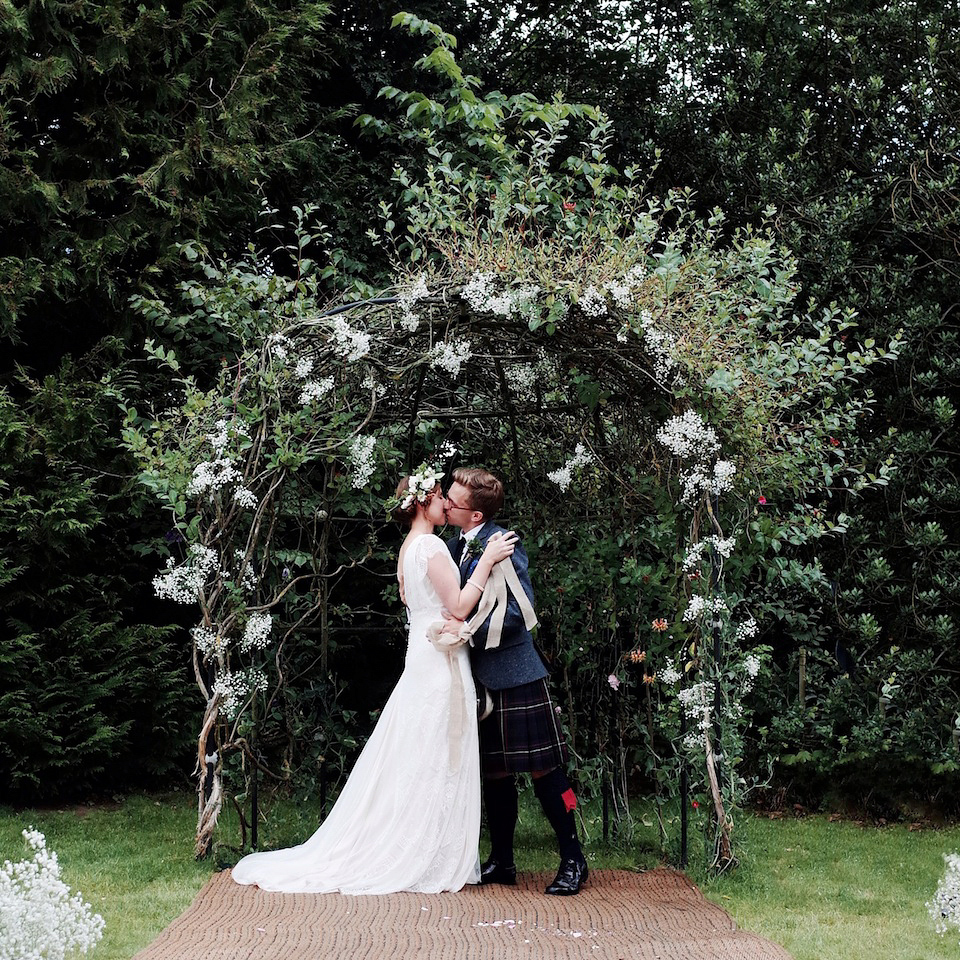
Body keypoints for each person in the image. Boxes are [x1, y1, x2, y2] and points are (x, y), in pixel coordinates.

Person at [231, 461, 517, 894]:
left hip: (424, 656)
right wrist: (488, 561)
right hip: (438, 663)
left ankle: (428, 844)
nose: (446, 502)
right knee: (436, 754)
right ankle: (428, 853)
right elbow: (458, 606)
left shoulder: (409, 547)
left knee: (419, 754)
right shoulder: (432, 549)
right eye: (440, 495)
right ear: (424, 501)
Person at [443, 466, 589, 896]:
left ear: (474, 515)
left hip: (515, 673)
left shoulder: (505, 546)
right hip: (477, 678)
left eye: (454, 499)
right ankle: (502, 861)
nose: (446, 502)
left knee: (546, 770)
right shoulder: (453, 547)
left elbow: (517, 612)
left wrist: (465, 626)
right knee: (495, 773)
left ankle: (574, 859)